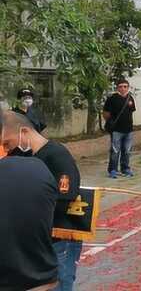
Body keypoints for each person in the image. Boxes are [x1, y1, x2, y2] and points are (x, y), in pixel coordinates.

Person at [1, 111, 83, 290]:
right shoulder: (25, 157)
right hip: (40, 239)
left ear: (24, 132)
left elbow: (66, 196)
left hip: (61, 237)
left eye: (8, 143)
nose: (7, 149)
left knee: (61, 282)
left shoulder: (56, 155)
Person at [103, 79, 136, 178]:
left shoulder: (130, 98)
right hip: (116, 130)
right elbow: (106, 113)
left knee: (127, 151)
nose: (123, 88)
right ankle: (113, 170)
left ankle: (125, 168)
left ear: (128, 88)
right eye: (121, 86)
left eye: (125, 86)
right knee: (115, 151)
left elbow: (131, 111)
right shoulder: (112, 98)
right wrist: (110, 123)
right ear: (117, 88)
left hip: (129, 130)